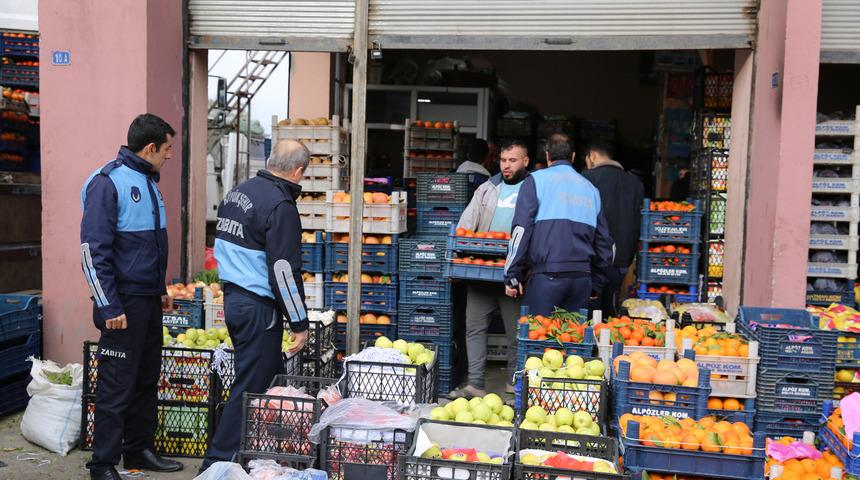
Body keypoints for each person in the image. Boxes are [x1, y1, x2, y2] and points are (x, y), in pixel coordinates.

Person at [80, 114, 181, 480]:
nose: (170, 155)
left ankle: (137, 452)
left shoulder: (149, 181)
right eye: (167, 148)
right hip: (121, 306)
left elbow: (148, 246)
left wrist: (160, 290)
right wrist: (109, 305)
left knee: (144, 380)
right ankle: (102, 464)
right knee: (116, 387)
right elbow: (93, 253)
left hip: (147, 301)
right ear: (151, 147)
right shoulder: (108, 183)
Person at [200, 139, 311, 472]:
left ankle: (250, 460)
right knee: (249, 389)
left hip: (234, 299)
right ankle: (216, 466)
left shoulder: (239, 193)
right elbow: (283, 271)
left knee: (260, 379)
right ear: (299, 170)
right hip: (257, 307)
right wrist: (299, 322)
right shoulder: (280, 205)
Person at [448, 139, 530, 399]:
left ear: (525, 161)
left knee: (516, 332)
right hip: (482, 270)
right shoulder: (487, 188)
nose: (506, 166)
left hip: (513, 273)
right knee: (474, 328)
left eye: (513, 160)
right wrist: (461, 252)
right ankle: (476, 384)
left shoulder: (534, 189)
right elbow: (465, 225)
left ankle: (512, 383)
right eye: (503, 160)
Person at [504, 133, 615, 315]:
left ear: (547, 156)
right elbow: (605, 243)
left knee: (538, 338)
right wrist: (596, 282)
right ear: (572, 157)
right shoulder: (591, 190)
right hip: (581, 280)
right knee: (571, 339)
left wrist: (512, 275)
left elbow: (521, 230)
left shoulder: (535, 181)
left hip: (546, 277)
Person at [582, 140, 644, 315]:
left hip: (592, 258)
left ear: (592, 155)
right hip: (622, 260)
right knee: (611, 310)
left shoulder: (587, 178)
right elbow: (637, 224)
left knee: (588, 311)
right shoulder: (636, 184)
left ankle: (591, 341)